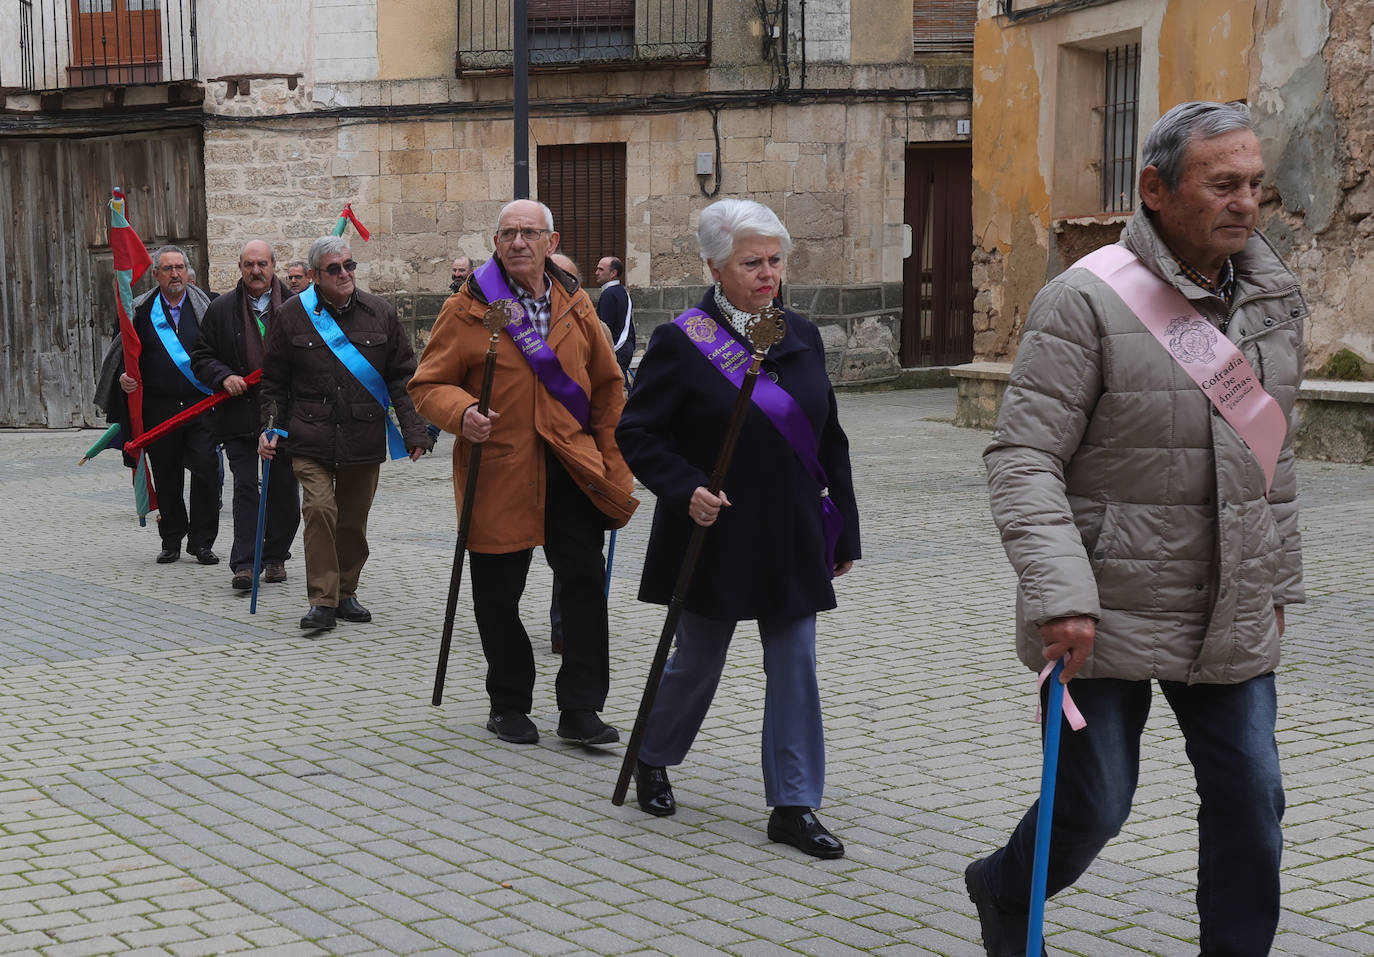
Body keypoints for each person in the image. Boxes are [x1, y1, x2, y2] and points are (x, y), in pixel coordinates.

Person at [965, 101, 1305, 957]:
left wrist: (1277, 588)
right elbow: (1023, 458)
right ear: (1155, 189)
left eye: (1254, 184)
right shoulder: (1083, 300)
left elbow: (1275, 455)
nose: (1244, 202)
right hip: (1101, 610)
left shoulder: (1272, 297)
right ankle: (1004, 887)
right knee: (1097, 803)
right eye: (1222, 183)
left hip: (1226, 603)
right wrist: (1062, 596)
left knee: (1253, 803)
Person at [615, 198, 861, 859]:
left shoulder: (801, 335)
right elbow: (636, 431)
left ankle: (794, 803)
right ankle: (654, 755)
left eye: (775, 261)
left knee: (795, 664)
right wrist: (682, 485)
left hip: (790, 531)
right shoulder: (680, 341)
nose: (767, 274)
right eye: (751, 262)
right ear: (715, 267)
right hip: (714, 529)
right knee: (698, 659)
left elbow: (829, 438)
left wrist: (846, 532)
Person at [409, 199, 638, 747]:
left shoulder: (577, 304)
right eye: (508, 233)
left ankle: (581, 708)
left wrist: (613, 461)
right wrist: (462, 413)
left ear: (550, 243)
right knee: (497, 595)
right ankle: (508, 703)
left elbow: (608, 390)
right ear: (495, 240)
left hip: (570, 467)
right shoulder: (466, 308)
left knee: (583, 587)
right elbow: (426, 384)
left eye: (529, 233)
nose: (518, 243)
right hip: (498, 469)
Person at [258, 236, 433, 631]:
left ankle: (345, 592)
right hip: (309, 433)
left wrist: (414, 430)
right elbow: (273, 382)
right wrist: (269, 430)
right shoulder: (290, 316)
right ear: (316, 276)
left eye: (350, 266)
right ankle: (321, 599)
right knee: (320, 510)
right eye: (335, 269)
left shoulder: (380, 313)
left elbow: (402, 376)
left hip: (363, 434)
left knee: (353, 521)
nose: (345, 274)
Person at [192, 240, 301, 591]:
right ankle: (243, 564)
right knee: (245, 489)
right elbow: (201, 356)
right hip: (239, 417)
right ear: (239, 267)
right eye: (249, 264)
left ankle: (274, 557)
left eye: (263, 264)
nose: (256, 271)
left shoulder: (300, 307)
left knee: (284, 490)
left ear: (274, 266)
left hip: (285, 416)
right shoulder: (221, 309)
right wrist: (223, 375)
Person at [113, 246, 222, 565]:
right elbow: (124, 355)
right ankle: (171, 539)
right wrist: (124, 377)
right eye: (168, 268)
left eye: (180, 267)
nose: (175, 274)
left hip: (201, 405)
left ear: (188, 271)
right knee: (167, 475)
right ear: (156, 274)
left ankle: (202, 542)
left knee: (206, 472)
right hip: (159, 408)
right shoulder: (140, 310)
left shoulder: (210, 306)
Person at [593, 256, 635, 375]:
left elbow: (606, 327)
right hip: (626, 347)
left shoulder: (609, 294)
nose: (596, 273)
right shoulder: (622, 291)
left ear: (613, 273)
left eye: (601, 270)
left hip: (617, 348)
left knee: (619, 387)